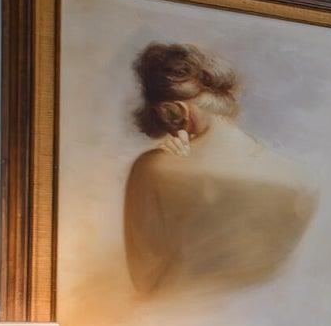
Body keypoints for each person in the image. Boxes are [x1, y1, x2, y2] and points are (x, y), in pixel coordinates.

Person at [121, 42, 319, 298]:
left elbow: (144, 280)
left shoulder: (151, 169)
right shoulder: (299, 177)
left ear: (174, 111)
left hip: (176, 323)